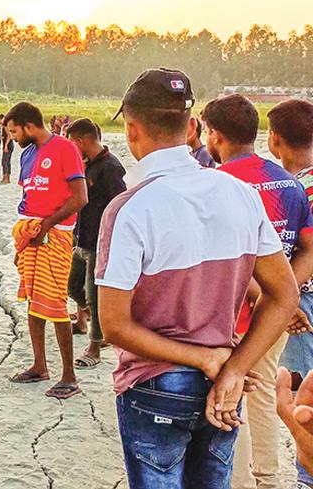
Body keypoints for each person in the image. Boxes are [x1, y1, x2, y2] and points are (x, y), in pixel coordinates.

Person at [97, 68, 298, 489]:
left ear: (132, 131)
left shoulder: (129, 209)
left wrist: (202, 358)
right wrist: (234, 367)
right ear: (191, 127)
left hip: (155, 384)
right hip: (222, 381)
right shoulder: (240, 194)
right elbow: (284, 295)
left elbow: (114, 325)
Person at [202, 94, 313, 489]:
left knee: (232, 394)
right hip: (278, 311)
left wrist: (268, 294)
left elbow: (226, 254)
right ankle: (268, 476)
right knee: (265, 390)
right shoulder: (289, 182)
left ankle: (242, 482)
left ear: (213, 134)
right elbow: (307, 248)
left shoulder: (217, 184)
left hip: (235, 312)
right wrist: (287, 296)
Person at [5, 101, 88, 400]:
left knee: (54, 304)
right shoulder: (27, 154)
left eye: (15, 131)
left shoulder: (65, 149)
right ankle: (40, 365)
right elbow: (28, 196)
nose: (13, 137)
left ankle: (69, 376)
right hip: (32, 234)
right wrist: (27, 234)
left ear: (29, 126)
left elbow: (80, 198)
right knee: (32, 299)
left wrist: (46, 225)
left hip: (56, 235)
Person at [267, 99, 313, 488]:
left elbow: (304, 249)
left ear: (275, 139)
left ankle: (306, 474)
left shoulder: (298, 187)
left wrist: (289, 297)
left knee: (302, 393)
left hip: (305, 300)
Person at [65, 118, 126, 368]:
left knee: (93, 295)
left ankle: (95, 347)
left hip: (99, 242)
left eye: (72, 143)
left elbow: (120, 204)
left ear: (82, 141)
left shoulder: (110, 168)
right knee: (71, 287)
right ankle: (88, 321)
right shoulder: (85, 165)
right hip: (81, 237)